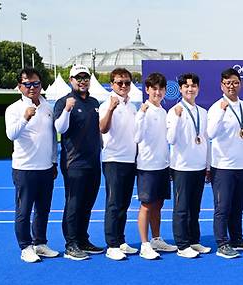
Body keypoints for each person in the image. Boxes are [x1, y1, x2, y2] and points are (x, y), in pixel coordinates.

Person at [5, 67, 59, 263]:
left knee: (43, 209)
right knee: (24, 210)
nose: (32, 87)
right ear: (20, 86)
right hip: (24, 168)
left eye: (35, 83)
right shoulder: (13, 109)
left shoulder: (48, 108)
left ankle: (40, 243)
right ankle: (25, 247)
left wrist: (54, 161)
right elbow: (11, 134)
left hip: (45, 168)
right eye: (27, 84)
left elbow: (53, 138)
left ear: (41, 85)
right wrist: (25, 118)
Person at [207, 68, 243, 259]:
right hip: (222, 166)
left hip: (242, 165)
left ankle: (237, 239)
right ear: (222, 85)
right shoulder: (216, 107)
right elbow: (210, 134)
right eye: (228, 83)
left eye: (235, 82)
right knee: (222, 208)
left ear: (240, 84)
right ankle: (222, 244)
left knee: (238, 207)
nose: (231, 86)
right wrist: (221, 112)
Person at [54, 64, 104, 261]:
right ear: (71, 80)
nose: (82, 81)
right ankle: (71, 244)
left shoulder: (93, 101)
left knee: (87, 203)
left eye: (85, 77)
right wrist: (67, 110)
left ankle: (83, 239)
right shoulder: (64, 102)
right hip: (74, 163)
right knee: (73, 204)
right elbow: (60, 127)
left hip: (93, 162)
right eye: (78, 78)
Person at [166, 72, 211, 259]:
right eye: (186, 86)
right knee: (181, 208)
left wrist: (208, 166)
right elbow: (170, 139)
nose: (190, 89)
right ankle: (182, 245)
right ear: (181, 89)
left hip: (199, 167)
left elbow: (206, 140)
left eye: (193, 86)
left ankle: (193, 240)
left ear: (198, 89)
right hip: (181, 167)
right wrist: (176, 118)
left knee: (195, 207)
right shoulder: (174, 111)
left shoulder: (203, 112)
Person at [134, 72, 177, 260]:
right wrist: (142, 114)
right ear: (147, 90)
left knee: (158, 204)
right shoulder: (143, 111)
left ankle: (156, 239)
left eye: (161, 89)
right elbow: (137, 137)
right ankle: (144, 244)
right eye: (154, 89)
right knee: (146, 205)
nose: (157, 92)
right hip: (147, 166)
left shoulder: (163, 111)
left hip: (162, 165)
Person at [99, 67, 138, 261]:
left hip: (130, 160)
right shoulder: (107, 103)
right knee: (113, 203)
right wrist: (111, 108)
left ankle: (121, 240)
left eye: (127, 83)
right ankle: (111, 244)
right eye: (119, 83)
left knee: (124, 203)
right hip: (113, 160)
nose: (123, 86)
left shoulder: (132, 106)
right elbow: (103, 128)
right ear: (111, 85)